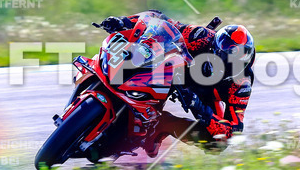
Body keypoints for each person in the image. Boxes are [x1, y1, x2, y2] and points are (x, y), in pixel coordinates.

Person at [95, 10, 255, 150]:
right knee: (147, 58)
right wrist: (124, 21)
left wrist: (198, 106)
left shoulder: (241, 84)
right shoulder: (203, 36)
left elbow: (233, 131)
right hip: (181, 73)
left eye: (231, 60)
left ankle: (162, 125)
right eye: (220, 55)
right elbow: (160, 19)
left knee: (218, 143)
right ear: (215, 46)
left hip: (205, 97)